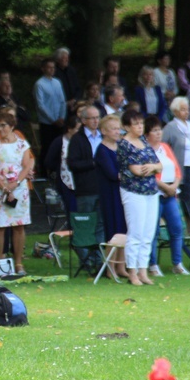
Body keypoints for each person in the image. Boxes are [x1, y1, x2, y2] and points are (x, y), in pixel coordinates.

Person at [0, 109, 34, 276]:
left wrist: (16, 183)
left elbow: (27, 165)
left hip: (19, 190)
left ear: (12, 126)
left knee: (19, 226)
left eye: (4, 125)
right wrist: (4, 186)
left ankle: (19, 263)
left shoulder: (22, 145)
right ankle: (1, 263)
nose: (1, 129)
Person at [117, 110, 162, 286]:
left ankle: (143, 271)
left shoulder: (144, 141)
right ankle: (132, 272)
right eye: (135, 124)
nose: (139, 127)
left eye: (141, 123)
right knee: (135, 233)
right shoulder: (124, 144)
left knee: (148, 233)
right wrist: (152, 167)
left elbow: (159, 165)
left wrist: (151, 166)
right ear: (127, 126)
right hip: (133, 191)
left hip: (151, 191)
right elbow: (136, 170)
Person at [143, 116, 188, 277]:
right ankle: (153, 264)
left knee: (176, 228)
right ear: (147, 133)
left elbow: (176, 169)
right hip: (156, 194)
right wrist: (165, 187)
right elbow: (148, 174)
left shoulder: (165, 147)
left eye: (159, 129)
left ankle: (177, 263)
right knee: (153, 231)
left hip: (171, 193)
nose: (158, 133)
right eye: (154, 130)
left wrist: (174, 186)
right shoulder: (145, 149)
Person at [66, 106, 106, 268]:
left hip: (102, 188)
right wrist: (94, 163)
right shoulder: (77, 139)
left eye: (98, 117)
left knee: (100, 225)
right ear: (83, 121)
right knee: (86, 226)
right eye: (92, 118)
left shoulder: (103, 137)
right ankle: (86, 261)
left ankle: (99, 260)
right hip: (85, 190)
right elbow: (72, 164)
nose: (96, 121)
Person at [94, 114, 127, 278]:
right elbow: (112, 174)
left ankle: (121, 267)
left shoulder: (120, 146)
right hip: (110, 194)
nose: (117, 131)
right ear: (104, 131)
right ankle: (110, 268)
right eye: (113, 129)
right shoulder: (102, 150)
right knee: (113, 230)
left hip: (122, 193)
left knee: (123, 229)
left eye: (118, 128)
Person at [162, 97, 190, 215]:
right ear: (175, 111)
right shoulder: (170, 127)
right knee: (189, 197)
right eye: (183, 109)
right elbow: (163, 146)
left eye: (188, 109)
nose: (187, 112)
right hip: (183, 166)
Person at [44, 115, 81, 215]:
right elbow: (48, 161)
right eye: (78, 129)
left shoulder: (82, 141)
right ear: (70, 129)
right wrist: (59, 166)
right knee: (72, 209)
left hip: (81, 180)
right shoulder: (59, 141)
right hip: (65, 180)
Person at [34, 58, 66, 171]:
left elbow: (62, 101)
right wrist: (53, 119)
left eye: (53, 67)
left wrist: (62, 117)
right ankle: (43, 172)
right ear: (43, 69)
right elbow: (41, 105)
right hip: (47, 122)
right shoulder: (39, 84)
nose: (52, 70)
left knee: (60, 147)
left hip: (59, 121)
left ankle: (57, 171)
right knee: (46, 148)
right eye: (49, 67)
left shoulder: (57, 82)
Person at [54, 47, 82, 114]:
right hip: (60, 105)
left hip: (74, 103)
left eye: (67, 58)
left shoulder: (71, 70)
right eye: (64, 58)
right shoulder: (55, 72)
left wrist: (75, 99)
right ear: (58, 59)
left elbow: (77, 87)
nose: (67, 60)